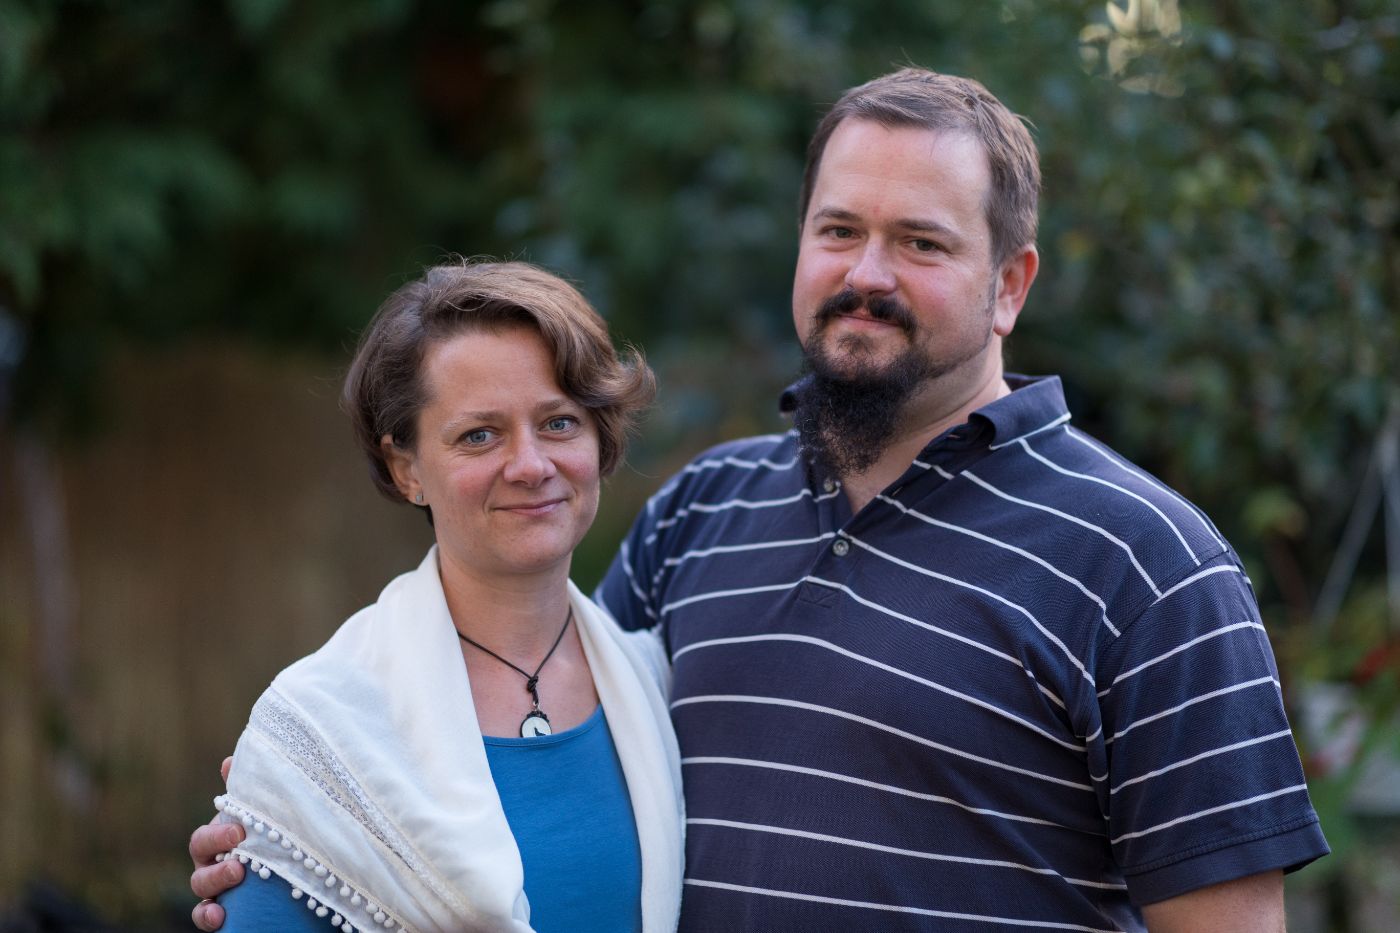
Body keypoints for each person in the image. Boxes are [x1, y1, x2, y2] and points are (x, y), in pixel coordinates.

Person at [193, 69, 1328, 930]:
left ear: (1008, 286)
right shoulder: (702, 514)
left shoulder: (1147, 566)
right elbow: (539, 724)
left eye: (920, 242)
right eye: (839, 230)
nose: (866, 273)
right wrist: (319, 821)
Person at [193, 260, 683, 932]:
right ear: (406, 468)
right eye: (479, 435)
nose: (531, 464)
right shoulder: (318, 730)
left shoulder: (659, 684)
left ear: (601, 440)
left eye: (559, 422)